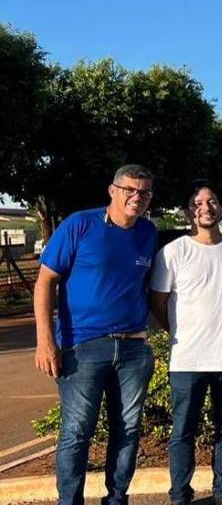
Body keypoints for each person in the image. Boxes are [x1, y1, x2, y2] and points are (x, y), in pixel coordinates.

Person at [33, 164, 158, 505]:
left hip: (133, 348)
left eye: (145, 192)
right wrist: (46, 341)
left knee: (128, 429)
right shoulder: (80, 224)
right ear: (113, 190)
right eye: (129, 189)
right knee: (77, 432)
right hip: (82, 347)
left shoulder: (148, 232)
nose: (137, 197)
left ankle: (116, 498)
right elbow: (45, 282)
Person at [150, 183, 222, 505]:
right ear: (188, 212)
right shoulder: (173, 252)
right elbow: (158, 303)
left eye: (212, 201)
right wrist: (179, 332)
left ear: (221, 207)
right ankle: (180, 494)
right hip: (187, 361)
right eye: (197, 203)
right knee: (183, 431)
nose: (206, 208)